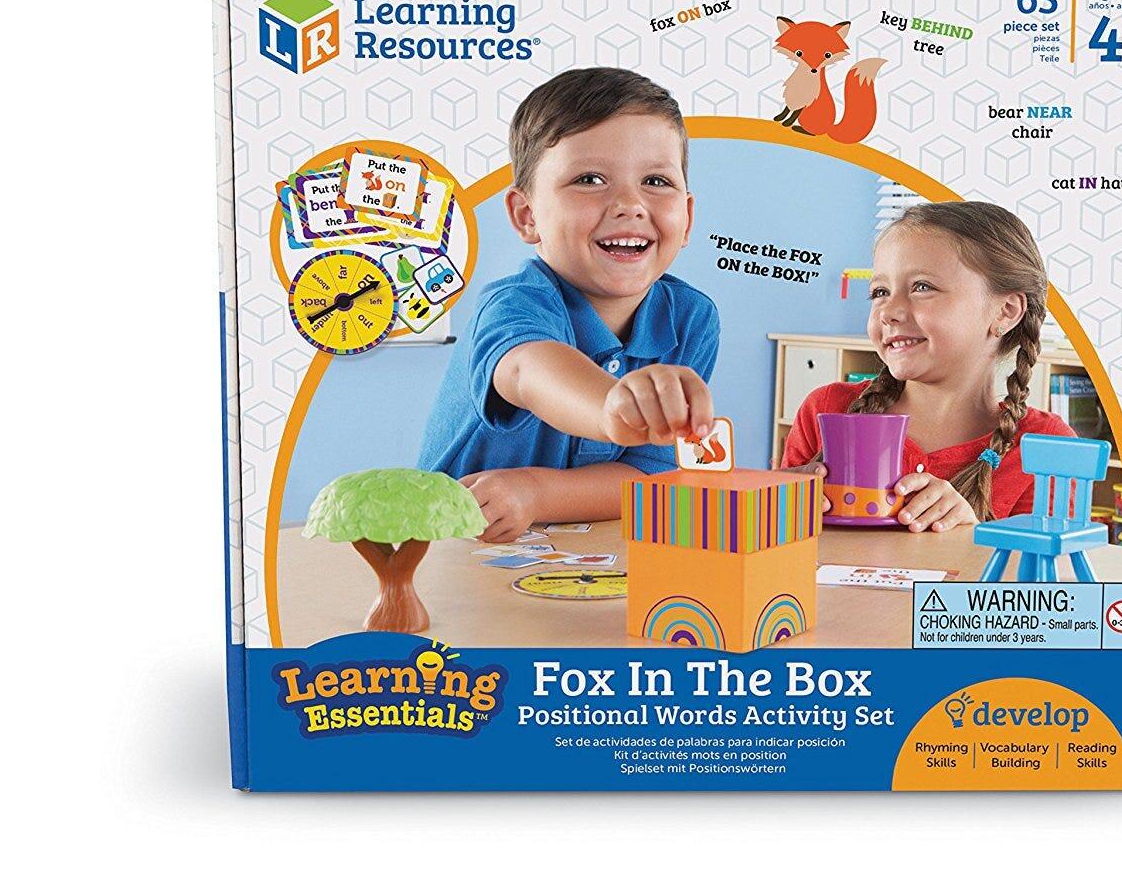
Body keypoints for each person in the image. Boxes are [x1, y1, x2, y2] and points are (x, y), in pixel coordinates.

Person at [419, 68, 719, 542]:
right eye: (590, 179)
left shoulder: (691, 319)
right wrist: (612, 405)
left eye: (656, 180)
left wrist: (535, 493)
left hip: (572, 557)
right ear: (527, 215)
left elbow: (647, 476)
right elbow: (528, 371)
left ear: (688, 217)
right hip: (453, 548)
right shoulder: (514, 303)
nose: (629, 204)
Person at [782, 201, 1074, 532]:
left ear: (1005, 311)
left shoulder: (1048, 448)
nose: (888, 312)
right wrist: (776, 507)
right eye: (880, 292)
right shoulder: (825, 410)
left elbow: (1046, 566)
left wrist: (969, 537)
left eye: (922, 287)